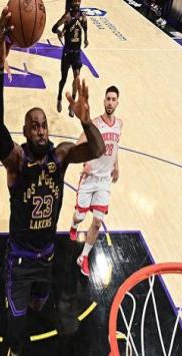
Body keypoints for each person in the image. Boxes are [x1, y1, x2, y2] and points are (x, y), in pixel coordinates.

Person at [0, 6, 105, 356]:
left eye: (43, 125)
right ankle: (14, 351)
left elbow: (98, 149)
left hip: (48, 254)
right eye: (33, 125)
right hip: (20, 258)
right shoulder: (16, 162)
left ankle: (25, 304)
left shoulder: (61, 156)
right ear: (25, 132)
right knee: (17, 320)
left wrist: (86, 119)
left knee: (39, 302)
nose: (40, 129)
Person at [69, 86, 122, 277]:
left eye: (113, 99)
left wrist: (116, 166)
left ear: (117, 102)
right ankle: (74, 225)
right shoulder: (96, 124)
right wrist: (85, 162)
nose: (110, 102)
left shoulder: (119, 124)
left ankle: (83, 257)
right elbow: (79, 143)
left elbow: (115, 147)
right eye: (108, 99)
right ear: (104, 101)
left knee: (97, 222)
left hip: (104, 181)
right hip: (90, 178)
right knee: (80, 216)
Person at [52, 0, 88, 116]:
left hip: (77, 53)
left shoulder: (83, 16)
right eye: (75, 1)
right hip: (67, 53)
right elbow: (54, 28)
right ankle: (59, 98)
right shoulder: (67, 16)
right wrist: (59, 32)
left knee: (77, 78)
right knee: (63, 79)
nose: (77, 3)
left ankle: (72, 104)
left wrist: (86, 39)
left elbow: (85, 28)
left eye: (78, 1)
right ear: (72, 2)